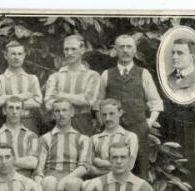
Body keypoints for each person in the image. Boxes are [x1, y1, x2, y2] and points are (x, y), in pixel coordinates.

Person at [97, 34, 163, 179]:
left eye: (129, 47)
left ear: (135, 50)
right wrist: (104, 125)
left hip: (139, 130)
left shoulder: (143, 74)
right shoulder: (106, 75)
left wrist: (148, 124)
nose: (125, 50)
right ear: (115, 50)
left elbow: (156, 103)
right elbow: (98, 104)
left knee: (140, 172)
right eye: (121, 47)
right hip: (113, 131)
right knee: (112, 171)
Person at [35, 99, 92, 191]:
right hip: (51, 175)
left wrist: (65, 179)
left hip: (72, 175)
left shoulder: (82, 138)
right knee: (48, 182)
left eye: (65, 110)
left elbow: (84, 166)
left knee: (72, 183)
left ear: (72, 112)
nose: (61, 114)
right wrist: (37, 183)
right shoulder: (46, 138)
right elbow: (39, 168)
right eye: (57, 111)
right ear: (53, 114)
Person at [45, 35, 101, 136]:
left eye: (73, 49)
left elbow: (89, 100)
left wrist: (61, 96)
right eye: (66, 49)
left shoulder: (92, 75)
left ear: (82, 50)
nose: (69, 53)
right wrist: (76, 100)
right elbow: (48, 103)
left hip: (83, 122)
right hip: (59, 121)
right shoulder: (55, 76)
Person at [0, 41, 43, 134]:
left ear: (24, 56)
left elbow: (38, 102)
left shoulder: (32, 78)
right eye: (13, 54)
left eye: (19, 54)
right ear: (5, 55)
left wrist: (7, 100)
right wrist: (24, 96)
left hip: (28, 122)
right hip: (6, 123)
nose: (16, 57)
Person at [0, 96, 39, 178]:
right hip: (1, 180)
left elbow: (33, 163)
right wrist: (23, 163)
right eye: (11, 108)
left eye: (18, 108)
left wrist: (4, 162)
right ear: (4, 111)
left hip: (25, 180)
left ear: (22, 112)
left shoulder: (32, 136)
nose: (14, 111)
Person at [89, 98, 138, 178]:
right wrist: (117, 166)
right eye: (104, 115)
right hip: (99, 184)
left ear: (120, 113)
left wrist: (102, 163)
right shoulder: (94, 139)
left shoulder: (130, 137)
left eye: (111, 114)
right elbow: (89, 168)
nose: (108, 118)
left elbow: (129, 166)